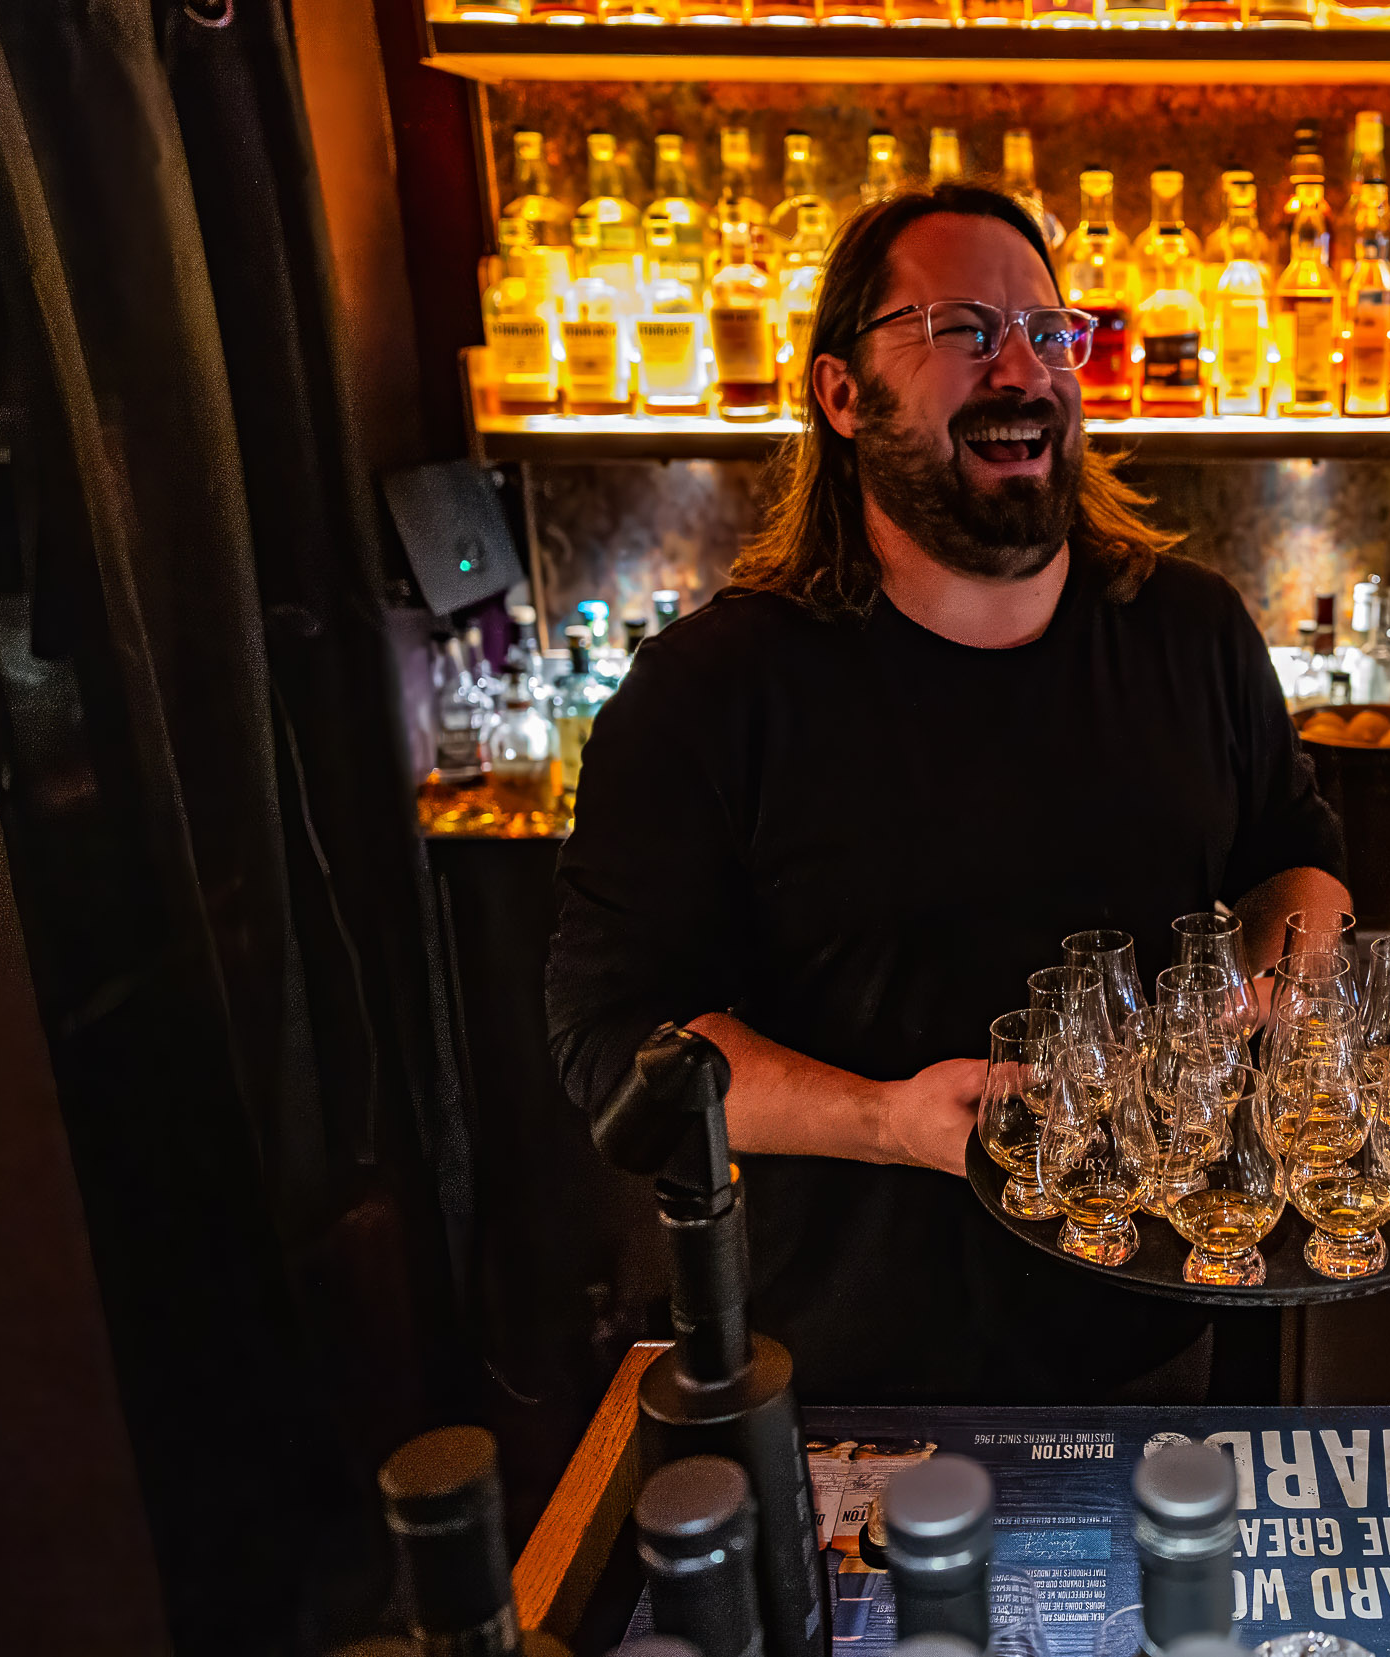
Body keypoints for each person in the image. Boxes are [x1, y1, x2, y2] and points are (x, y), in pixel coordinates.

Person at [547, 182, 1349, 1404]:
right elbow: (614, 1041)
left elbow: (1293, 852)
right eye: (964, 330)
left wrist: (1273, 988)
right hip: (849, 1379)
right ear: (841, 394)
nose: (1020, 369)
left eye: (1046, 331)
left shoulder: (1191, 632)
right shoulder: (712, 690)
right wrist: (884, 1118)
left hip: (1162, 1334)